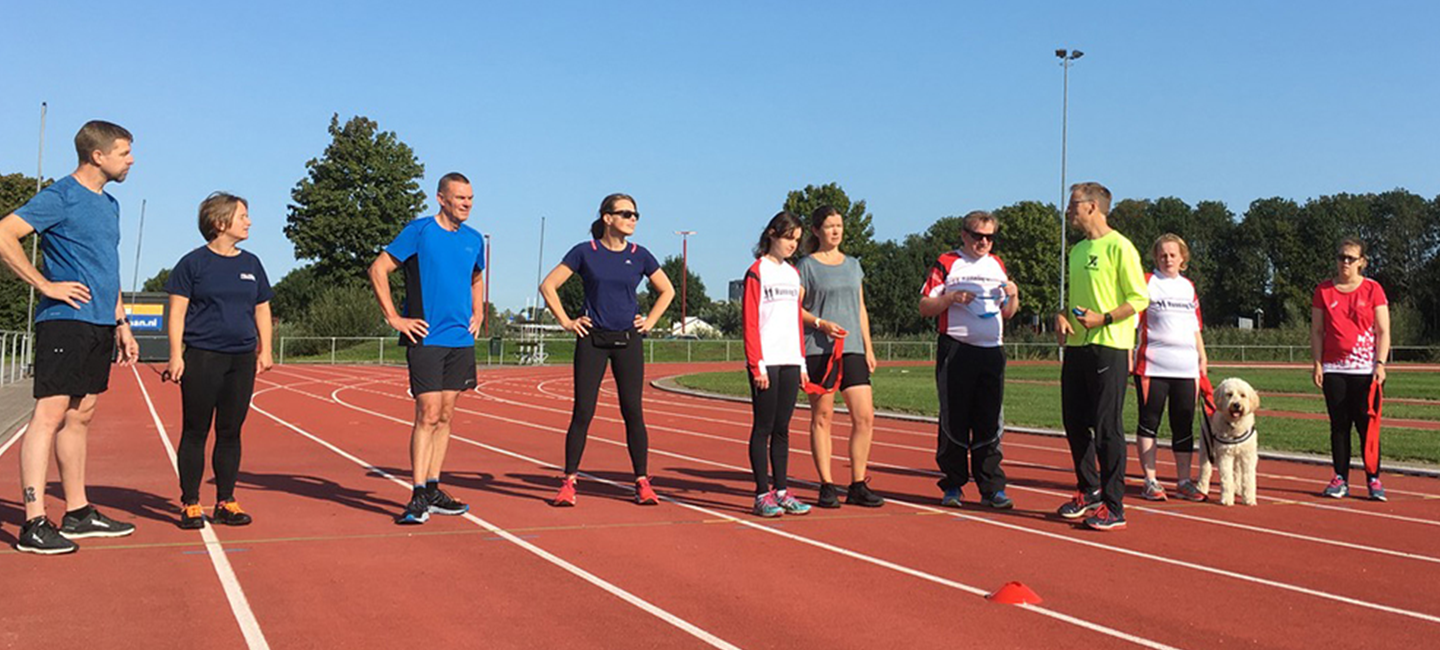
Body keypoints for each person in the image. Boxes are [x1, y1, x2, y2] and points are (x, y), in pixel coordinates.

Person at [0, 120, 140, 555]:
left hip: (100, 323)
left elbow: (107, 266)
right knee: (50, 414)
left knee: (82, 414)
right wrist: (44, 284)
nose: (131, 160)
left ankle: (77, 513)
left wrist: (121, 322)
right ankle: (34, 522)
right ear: (97, 156)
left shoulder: (110, 204)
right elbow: (5, 233)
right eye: (124, 152)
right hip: (65, 320)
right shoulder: (60, 195)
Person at [538, 193, 674, 507]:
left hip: (628, 340)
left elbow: (667, 290)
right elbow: (548, 285)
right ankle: (570, 481)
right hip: (592, 340)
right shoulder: (585, 251)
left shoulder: (641, 255)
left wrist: (650, 320)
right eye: (626, 213)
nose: (633, 219)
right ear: (607, 218)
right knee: (583, 412)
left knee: (633, 412)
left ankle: (641, 481)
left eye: (636, 214)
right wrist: (567, 322)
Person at [368, 172, 486, 525]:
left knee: (446, 415)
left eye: (470, 198)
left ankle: (434, 487)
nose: (466, 203)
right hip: (426, 338)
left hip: (460, 340)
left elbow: (476, 277)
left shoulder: (474, 240)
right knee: (427, 413)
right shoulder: (419, 232)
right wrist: (394, 318)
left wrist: (479, 312)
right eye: (460, 197)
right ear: (441, 198)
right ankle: (418, 493)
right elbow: (378, 268)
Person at [164, 192, 274, 529]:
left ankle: (226, 500)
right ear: (220, 222)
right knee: (196, 430)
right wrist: (175, 354)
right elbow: (177, 313)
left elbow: (262, 308)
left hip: (240, 358)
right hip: (203, 357)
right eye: (243, 215)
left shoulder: (251, 264)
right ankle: (191, 502)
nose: (249, 221)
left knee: (231, 431)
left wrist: (265, 348)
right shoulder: (192, 264)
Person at [1054, 182, 1147, 531]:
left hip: (1109, 344)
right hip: (1077, 347)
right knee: (1074, 422)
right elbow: (1074, 299)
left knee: (1107, 426)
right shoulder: (1077, 250)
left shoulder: (1120, 247)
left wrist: (1102, 318)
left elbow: (1139, 298)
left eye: (1073, 203)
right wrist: (1061, 315)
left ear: (1092, 206)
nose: (1069, 209)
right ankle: (1088, 488)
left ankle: (1114, 504)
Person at [919, 211, 1020, 509]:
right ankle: (953, 484)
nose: (984, 242)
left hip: (992, 350)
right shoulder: (948, 262)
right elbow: (925, 306)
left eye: (989, 237)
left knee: (990, 419)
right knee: (955, 418)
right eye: (978, 236)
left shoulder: (996, 265)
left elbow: (1008, 313)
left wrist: (1013, 297)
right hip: (957, 349)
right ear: (964, 234)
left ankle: (991, 487)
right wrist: (950, 299)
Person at [798, 206, 883, 508]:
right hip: (820, 350)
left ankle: (858, 483)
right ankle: (826, 484)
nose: (836, 231)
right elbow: (796, 308)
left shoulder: (853, 265)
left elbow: (860, 308)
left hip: (853, 349)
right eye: (830, 226)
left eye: (839, 225)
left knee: (865, 417)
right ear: (817, 230)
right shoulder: (806, 266)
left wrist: (868, 348)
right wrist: (821, 323)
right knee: (823, 417)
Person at [741, 212, 812, 517]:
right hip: (766, 361)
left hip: (790, 359)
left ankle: (781, 491)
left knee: (782, 429)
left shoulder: (793, 274)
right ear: (772, 234)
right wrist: (757, 365)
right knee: (764, 427)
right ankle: (761, 494)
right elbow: (750, 323)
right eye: (788, 238)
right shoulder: (757, 272)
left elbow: (796, 320)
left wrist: (802, 362)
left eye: (796, 240)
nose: (792, 245)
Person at [1310, 237, 1390, 501]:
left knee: (1367, 427)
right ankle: (1340, 478)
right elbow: (1318, 331)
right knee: (1339, 426)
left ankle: (1373, 478)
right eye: (1341, 257)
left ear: (1362, 262)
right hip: (1335, 369)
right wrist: (1318, 363)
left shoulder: (1373, 289)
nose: (1344, 262)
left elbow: (1383, 330)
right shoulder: (1323, 290)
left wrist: (1380, 364)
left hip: (1366, 370)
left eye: (1350, 258)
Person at [1133, 234, 1209, 502]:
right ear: (1156, 257)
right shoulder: (1147, 282)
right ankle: (1150, 480)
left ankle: (1184, 480)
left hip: (1186, 368)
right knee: (1149, 421)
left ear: (1182, 258)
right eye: (1163, 255)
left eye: (1173, 255)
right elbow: (1133, 321)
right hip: (1153, 366)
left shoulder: (1188, 287)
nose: (1168, 259)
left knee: (1183, 425)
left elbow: (1195, 326)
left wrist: (1202, 356)